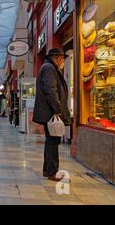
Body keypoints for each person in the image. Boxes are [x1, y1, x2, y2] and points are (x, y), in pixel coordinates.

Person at [32, 48, 72, 182]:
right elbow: (51, 90)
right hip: (50, 113)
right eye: (62, 59)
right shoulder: (49, 68)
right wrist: (58, 109)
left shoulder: (49, 67)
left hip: (49, 112)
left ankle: (49, 170)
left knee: (52, 141)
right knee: (52, 142)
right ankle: (52, 171)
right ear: (56, 58)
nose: (62, 62)